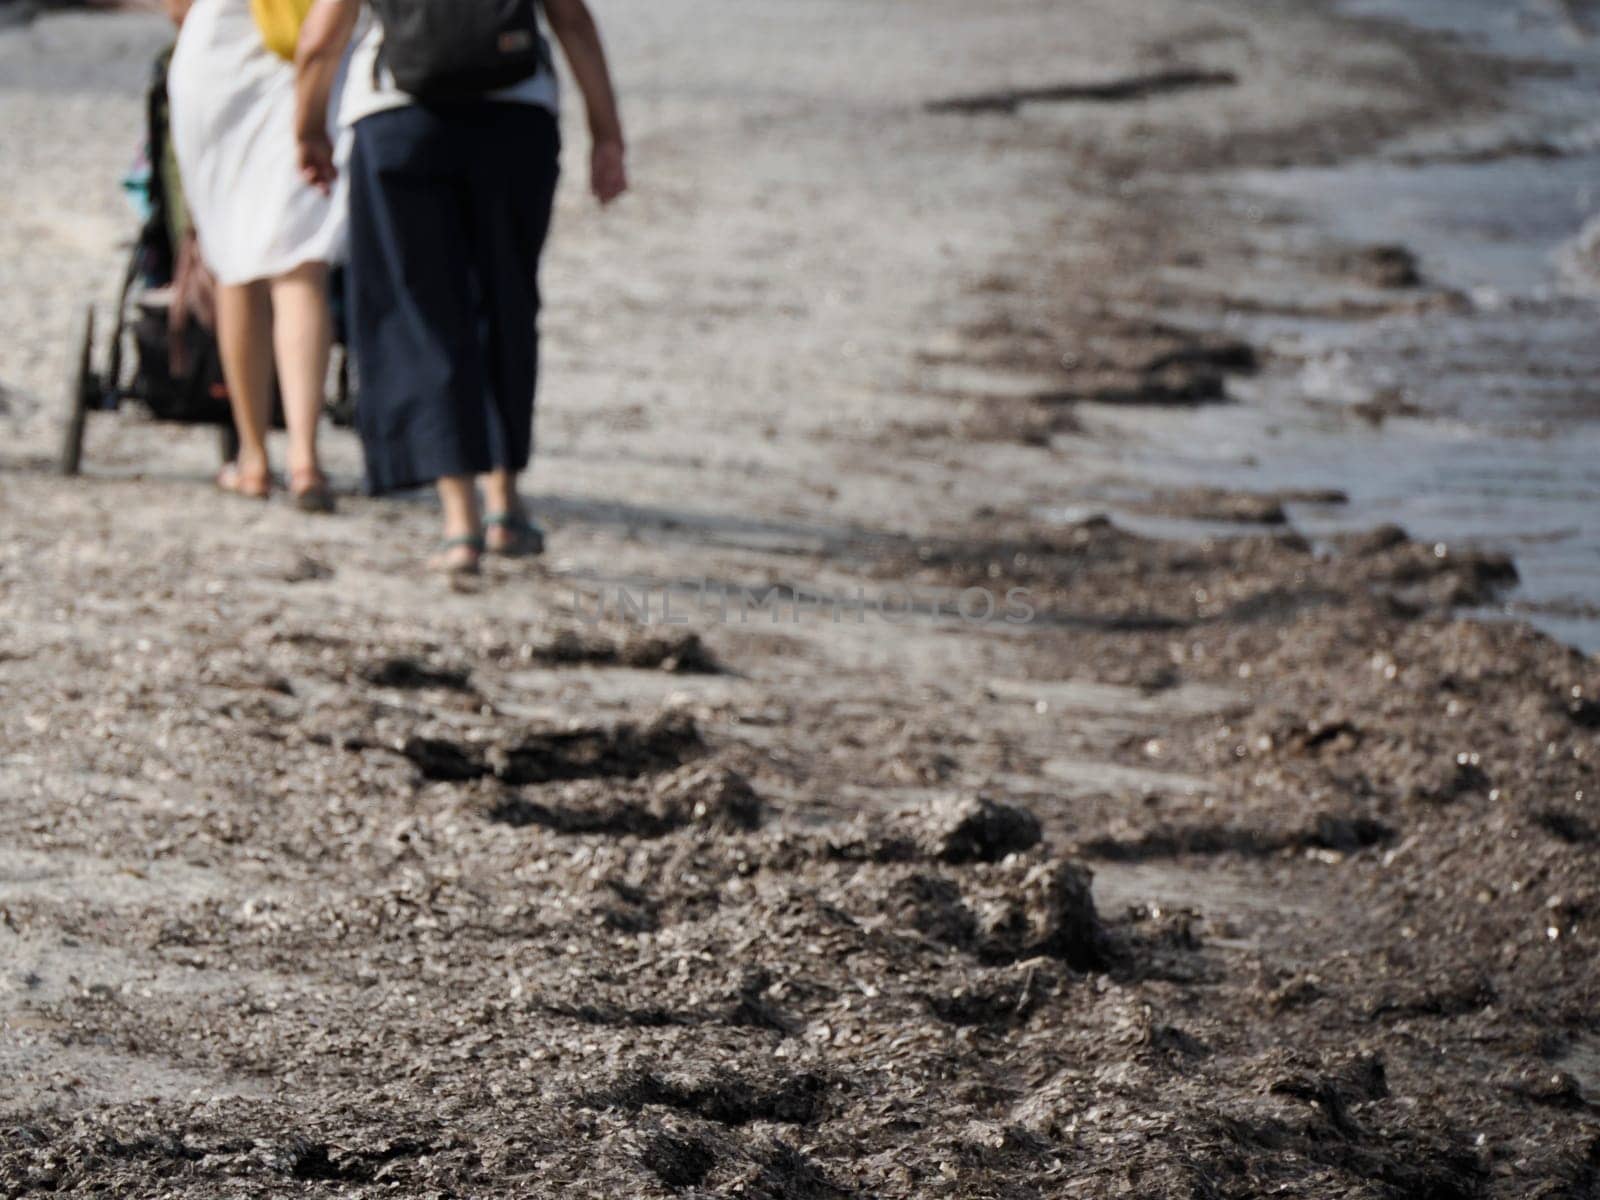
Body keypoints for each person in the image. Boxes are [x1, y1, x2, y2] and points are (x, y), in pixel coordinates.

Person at [295, 0, 627, 573]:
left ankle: (459, 520)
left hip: (399, 115)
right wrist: (607, 132)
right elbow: (571, 18)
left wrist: (308, 129)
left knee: (419, 314)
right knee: (506, 304)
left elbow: (322, 36)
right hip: (516, 118)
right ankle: (504, 501)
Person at [166, 0, 343, 511]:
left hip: (220, 62)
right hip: (314, 58)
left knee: (233, 260)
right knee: (301, 264)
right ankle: (306, 459)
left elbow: (179, 7)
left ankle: (255, 457)